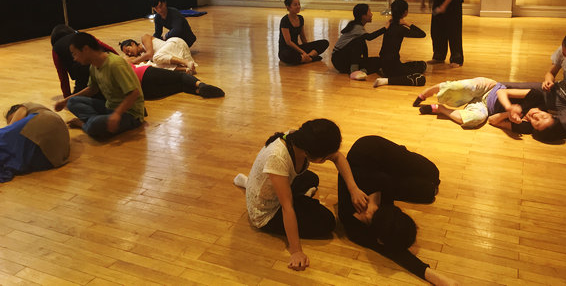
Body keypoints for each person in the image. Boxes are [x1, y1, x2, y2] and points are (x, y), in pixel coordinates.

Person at [233, 119, 367, 271]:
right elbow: (287, 206)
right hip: (266, 211)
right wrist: (296, 251)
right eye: (325, 156)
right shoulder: (277, 158)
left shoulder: (300, 138)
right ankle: (253, 186)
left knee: (312, 179)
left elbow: (337, 157)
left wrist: (353, 189)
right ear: (309, 153)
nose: (329, 158)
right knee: (327, 222)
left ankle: (252, 182)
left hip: (277, 183)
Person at [338, 136, 458, 285]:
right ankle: (405, 172)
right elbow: (392, 252)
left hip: (369, 150)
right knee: (428, 191)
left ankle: (400, 154)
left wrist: (373, 197)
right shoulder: (355, 229)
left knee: (433, 173)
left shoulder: (382, 195)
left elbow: (381, 180)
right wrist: (432, 276)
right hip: (383, 177)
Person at [54, 32, 145, 140]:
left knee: (94, 124)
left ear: (86, 49)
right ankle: (101, 122)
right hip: (110, 107)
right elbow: (92, 89)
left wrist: (116, 115)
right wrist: (65, 100)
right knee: (72, 102)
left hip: (130, 114)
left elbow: (134, 93)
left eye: (75, 54)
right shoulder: (93, 66)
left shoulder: (115, 64)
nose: (74, 58)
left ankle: (85, 125)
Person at [413, 77, 564, 141]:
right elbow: (501, 92)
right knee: (459, 87)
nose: (536, 117)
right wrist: (510, 107)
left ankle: (439, 109)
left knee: (473, 120)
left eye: (537, 123)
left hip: (484, 106)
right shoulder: (536, 97)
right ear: (549, 114)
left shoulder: (525, 127)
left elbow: (492, 120)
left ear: (534, 129)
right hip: (490, 88)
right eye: (543, 117)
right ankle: (426, 93)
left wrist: (507, 115)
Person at [1, 103, 70, 182]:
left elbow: (10, 128)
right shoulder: (42, 111)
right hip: (50, 159)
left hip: (41, 137)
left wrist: (9, 127)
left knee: (4, 136)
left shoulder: (23, 107)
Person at [51, 24, 118, 98]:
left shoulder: (56, 49)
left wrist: (66, 97)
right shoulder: (83, 36)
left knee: (74, 102)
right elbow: (106, 47)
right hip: (101, 71)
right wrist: (119, 59)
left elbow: (63, 77)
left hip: (82, 78)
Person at [373, 0, 427, 88]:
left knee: (419, 64)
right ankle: (387, 80)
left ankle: (387, 73)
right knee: (421, 71)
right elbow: (422, 34)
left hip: (384, 63)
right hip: (393, 66)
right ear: (405, 12)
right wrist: (407, 23)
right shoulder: (401, 29)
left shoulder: (388, 26)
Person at [332, 4, 388, 80]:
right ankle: (354, 71)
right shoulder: (356, 27)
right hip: (339, 59)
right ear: (363, 16)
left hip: (345, 59)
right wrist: (385, 28)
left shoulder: (357, 26)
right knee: (358, 41)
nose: (372, 14)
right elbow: (369, 37)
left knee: (379, 61)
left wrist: (366, 61)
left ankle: (362, 71)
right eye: (369, 12)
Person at [278, 0, 329, 65]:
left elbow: (303, 37)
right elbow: (288, 42)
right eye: (295, 5)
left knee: (325, 42)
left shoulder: (300, 18)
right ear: (288, 7)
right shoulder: (285, 20)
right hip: (286, 50)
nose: (298, 6)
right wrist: (303, 52)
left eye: (299, 4)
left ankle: (307, 58)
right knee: (287, 56)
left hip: (297, 48)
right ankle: (311, 58)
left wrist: (307, 48)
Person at [130, 64, 224, 100]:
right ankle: (201, 85)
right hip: (144, 73)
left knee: (180, 87)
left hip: (146, 93)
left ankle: (198, 91)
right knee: (180, 76)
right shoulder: (120, 62)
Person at [120, 35, 197, 74]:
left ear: (133, 43)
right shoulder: (143, 56)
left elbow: (150, 54)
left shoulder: (144, 38)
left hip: (175, 43)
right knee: (154, 65)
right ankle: (185, 69)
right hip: (172, 54)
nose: (130, 53)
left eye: (128, 50)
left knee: (155, 58)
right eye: (128, 54)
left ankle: (186, 62)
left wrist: (133, 61)